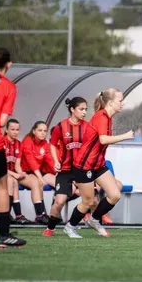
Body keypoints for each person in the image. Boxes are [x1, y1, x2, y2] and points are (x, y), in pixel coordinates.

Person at [63, 88, 134, 238]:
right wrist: (125, 136)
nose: (122, 103)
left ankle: (94, 220)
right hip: (84, 166)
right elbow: (103, 139)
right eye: (120, 101)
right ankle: (70, 227)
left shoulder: (108, 117)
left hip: (98, 165)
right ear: (110, 102)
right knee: (88, 202)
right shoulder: (101, 116)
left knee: (115, 194)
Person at [0, 47, 26, 248]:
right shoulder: (8, 86)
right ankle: (3, 236)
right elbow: (2, 121)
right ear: (8, 64)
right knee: (1, 187)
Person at [43, 97, 88, 238]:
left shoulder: (87, 127)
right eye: (81, 109)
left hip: (81, 169)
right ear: (72, 109)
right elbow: (52, 144)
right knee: (59, 202)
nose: (84, 112)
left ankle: (78, 224)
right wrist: (56, 161)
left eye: (86, 109)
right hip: (65, 170)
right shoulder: (60, 127)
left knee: (92, 200)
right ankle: (50, 227)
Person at [19, 121, 55, 224]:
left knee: (59, 182)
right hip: (25, 172)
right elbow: (31, 162)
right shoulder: (27, 141)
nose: (43, 133)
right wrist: (40, 177)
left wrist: (58, 169)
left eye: (45, 131)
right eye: (40, 130)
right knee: (37, 182)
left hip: (38, 172)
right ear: (34, 131)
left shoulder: (45, 143)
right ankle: (40, 215)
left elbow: (49, 160)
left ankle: (54, 214)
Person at [3, 118, 31, 223]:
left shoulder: (19, 144)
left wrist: (20, 172)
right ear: (6, 130)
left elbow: (17, 165)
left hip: (12, 174)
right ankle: (7, 214)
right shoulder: (1, 143)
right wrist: (15, 174)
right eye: (12, 129)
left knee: (34, 181)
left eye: (17, 130)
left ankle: (20, 215)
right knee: (12, 180)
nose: (15, 132)